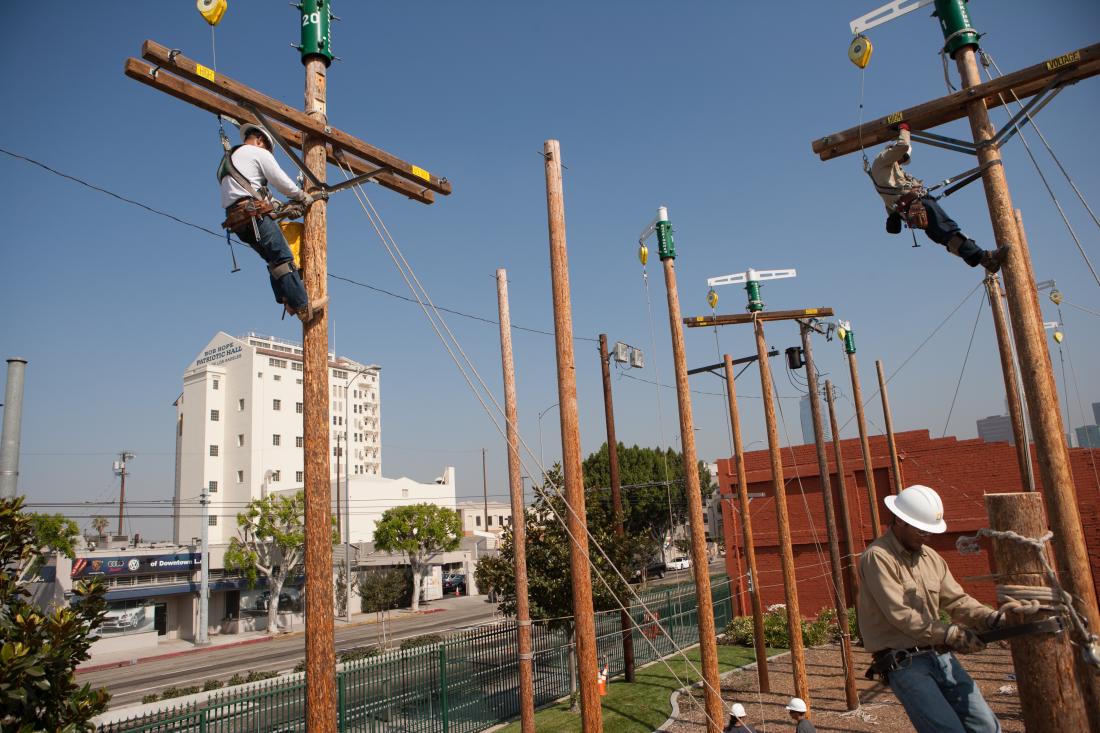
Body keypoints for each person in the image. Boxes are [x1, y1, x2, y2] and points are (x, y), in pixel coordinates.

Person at [858, 484, 1041, 733]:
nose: (926, 536)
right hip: (907, 663)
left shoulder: (931, 558)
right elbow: (900, 614)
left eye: (929, 531)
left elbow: (956, 601)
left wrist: (991, 619)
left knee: (986, 726)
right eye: (921, 529)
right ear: (900, 521)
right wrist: (951, 634)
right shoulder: (878, 557)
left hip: (941, 655)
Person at [219, 123, 327, 323]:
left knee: (273, 260)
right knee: (283, 257)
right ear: (261, 140)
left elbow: (252, 198)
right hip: (252, 216)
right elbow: (281, 181)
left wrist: (283, 210)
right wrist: (302, 196)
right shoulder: (257, 152)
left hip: (238, 223)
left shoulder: (231, 159)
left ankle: (287, 299)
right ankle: (303, 307)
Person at [869, 123, 1009, 273]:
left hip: (913, 209)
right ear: (892, 150)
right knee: (948, 229)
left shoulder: (884, 172)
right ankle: (985, 258)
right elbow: (903, 145)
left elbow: (890, 204)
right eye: (902, 158)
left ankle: (984, 260)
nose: (902, 161)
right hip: (918, 204)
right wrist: (904, 129)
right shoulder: (883, 160)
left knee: (944, 236)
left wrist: (893, 216)